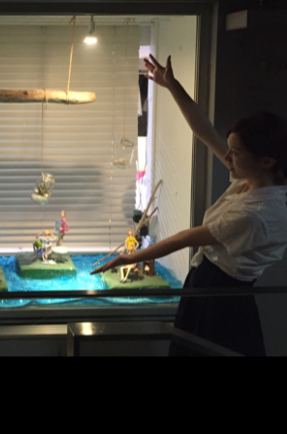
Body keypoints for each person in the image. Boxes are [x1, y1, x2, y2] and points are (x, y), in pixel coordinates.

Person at [92, 54, 287, 356]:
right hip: (206, 286)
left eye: (235, 153)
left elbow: (186, 238)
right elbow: (204, 131)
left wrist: (128, 258)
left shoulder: (255, 215)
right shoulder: (249, 180)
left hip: (220, 299)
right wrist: (172, 86)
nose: (227, 158)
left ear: (267, 161)